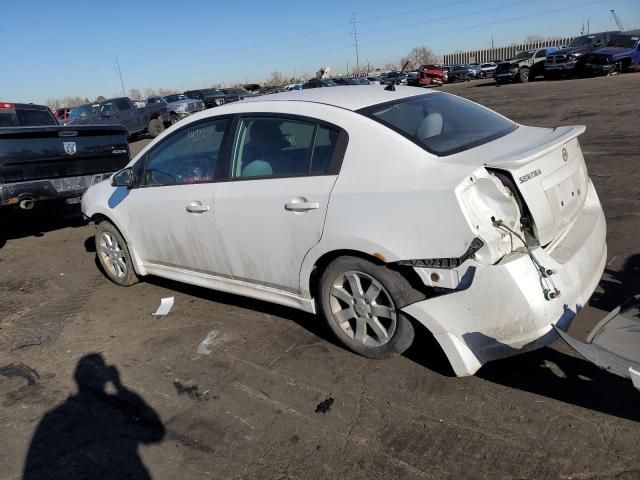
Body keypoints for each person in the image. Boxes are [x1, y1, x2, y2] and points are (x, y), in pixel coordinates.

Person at [23, 353, 165, 480]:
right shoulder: (115, 410)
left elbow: (35, 469)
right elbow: (155, 432)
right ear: (104, 378)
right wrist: (121, 388)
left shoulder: (54, 418)